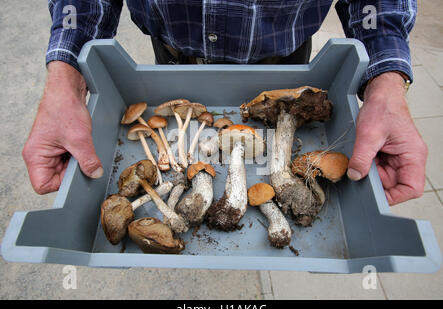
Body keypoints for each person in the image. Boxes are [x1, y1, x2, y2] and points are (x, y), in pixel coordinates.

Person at [23, 0, 427, 205]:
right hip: (172, 57)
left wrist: (387, 81)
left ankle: (279, 189)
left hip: (285, 63)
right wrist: (65, 74)